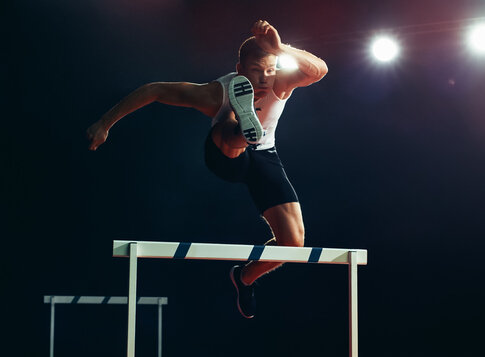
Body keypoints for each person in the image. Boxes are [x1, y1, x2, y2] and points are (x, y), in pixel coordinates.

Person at [86, 20, 328, 318]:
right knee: (229, 131)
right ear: (239, 69)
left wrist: (279, 48)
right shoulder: (217, 92)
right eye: (255, 71)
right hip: (224, 154)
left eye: (270, 69)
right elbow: (156, 90)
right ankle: (242, 127)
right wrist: (105, 123)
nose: (265, 78)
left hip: (265, 157)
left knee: (294, 244)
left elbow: (319, 70)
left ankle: (245, 277)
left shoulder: (279, 81)